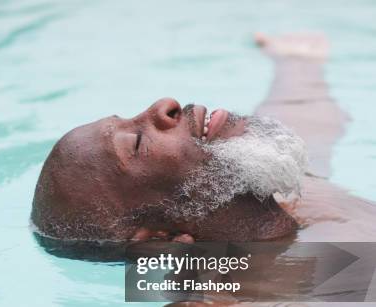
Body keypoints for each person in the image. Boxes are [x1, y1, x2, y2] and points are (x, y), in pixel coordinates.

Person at [31, 33, 376, 249]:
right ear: (159, 241)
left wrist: (299, 65)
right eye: (136, 144)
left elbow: (306, 130)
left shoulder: (284, 195)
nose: (164, 105)